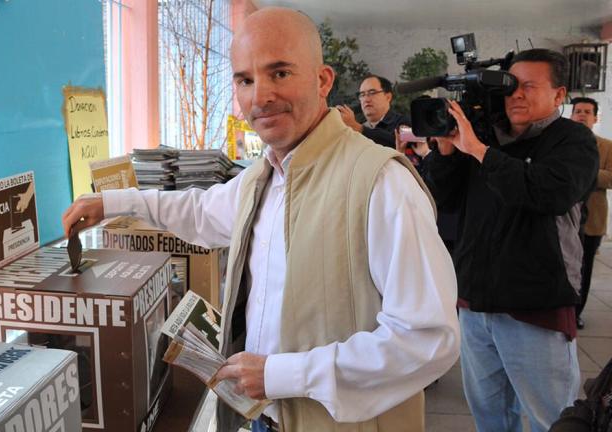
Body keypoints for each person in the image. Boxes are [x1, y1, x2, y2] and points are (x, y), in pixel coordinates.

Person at [62, 7, 459, 432]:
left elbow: (426, 338)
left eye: (280, 73)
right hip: (259, 419)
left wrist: (280, 375)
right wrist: (112, 203)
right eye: (245, 80)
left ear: (323, 80)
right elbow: (200, 210)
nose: (260, 96)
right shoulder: (263, 175)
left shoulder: (379, 182)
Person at [424, 48, 599, 432]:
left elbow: (546, 193)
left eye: (529, 87)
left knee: (552, 419)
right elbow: (444, 199)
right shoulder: (484, 136)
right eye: (511, 86)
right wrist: (448, 151)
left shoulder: (573, 141)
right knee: (490, 418)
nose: (516, 95)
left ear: (559, 95)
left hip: (535, 306)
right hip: (474, 304)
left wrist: (480, 151)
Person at [570, 96, 612, 330]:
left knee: (584, 269)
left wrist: (581, 174)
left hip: (592, 220)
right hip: (562, 218)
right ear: (571, 115)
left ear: (595, 118)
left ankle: (577, 312)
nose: (582, 115)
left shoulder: (606, 146)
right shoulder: (559, 144)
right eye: (578, 111)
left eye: (587, 111)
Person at [337, 75, 409, 147]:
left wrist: (358, 127)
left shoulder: (405, 122)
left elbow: (399, 144)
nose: (366, 99)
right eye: (362, 94)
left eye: (372, 93)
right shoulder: (359, 126)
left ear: (388, 97)